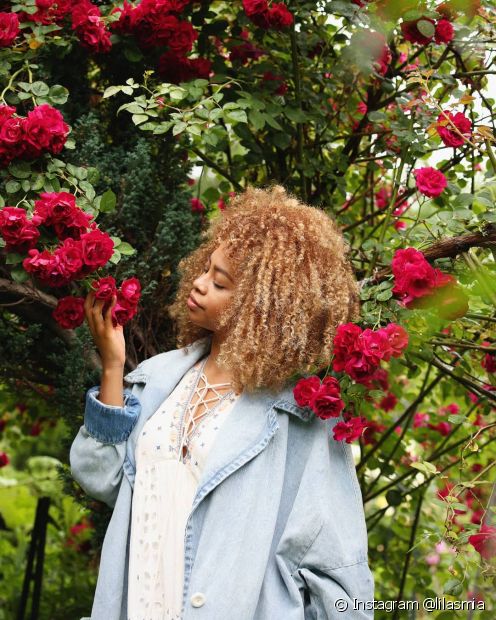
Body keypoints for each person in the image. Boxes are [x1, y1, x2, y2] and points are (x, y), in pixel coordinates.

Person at [70, 184, 374, 620]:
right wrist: (113, 367)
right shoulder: (159, 378)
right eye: (206, 269)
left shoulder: (300, 417)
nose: (198, 284)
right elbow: (101, 477)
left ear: (262, 307)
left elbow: (336, 567)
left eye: (219, 283)